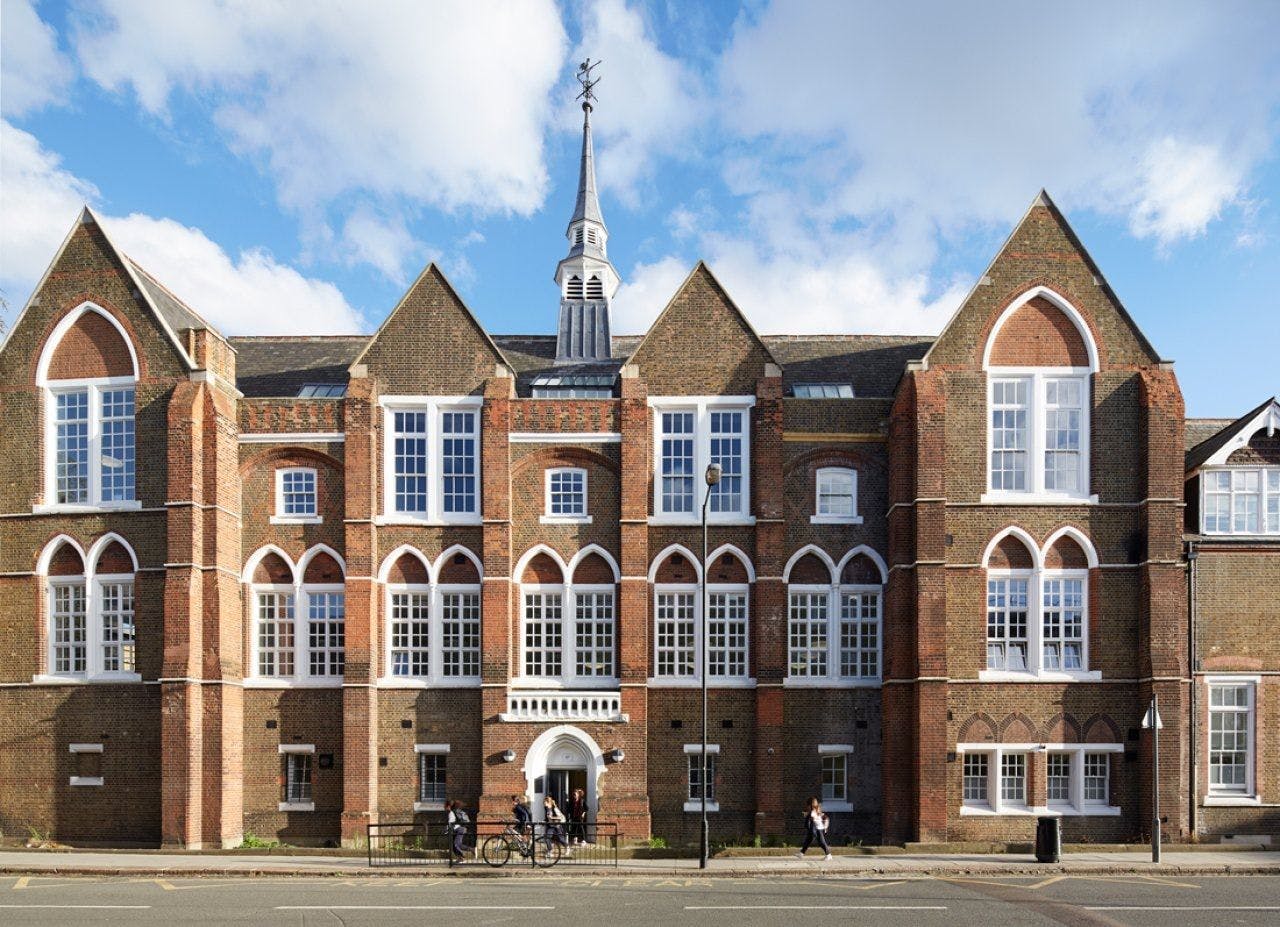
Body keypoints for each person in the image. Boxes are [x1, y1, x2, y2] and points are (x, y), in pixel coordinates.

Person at [796, 796, 833, 861]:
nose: (806, 807)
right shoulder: (815, 810)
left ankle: (829, 855)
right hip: (816, 829)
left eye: (807, 805)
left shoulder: (812, 812)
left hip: (818, 829)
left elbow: (810, 821)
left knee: (821, 842)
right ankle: (801, 854)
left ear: (810, 805)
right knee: (808, 841)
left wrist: (807, 818)